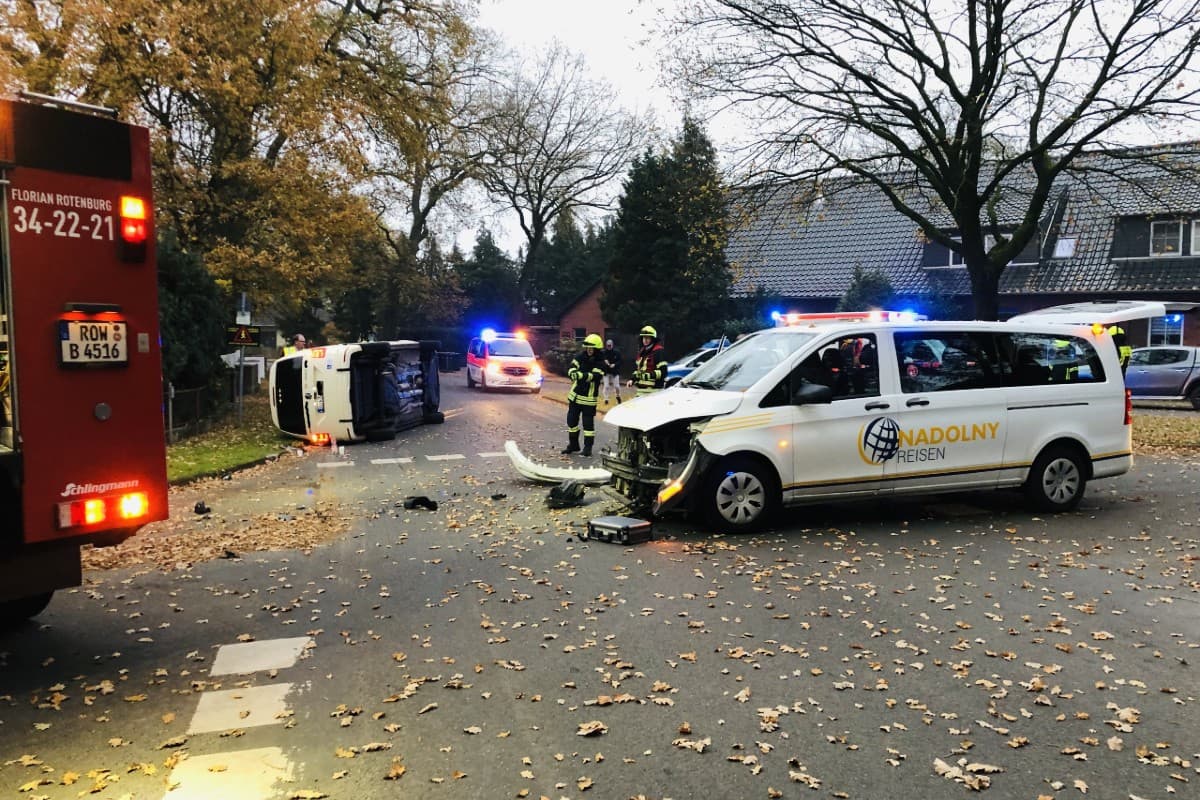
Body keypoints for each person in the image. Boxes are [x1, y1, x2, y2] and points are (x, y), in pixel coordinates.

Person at [563, 334, 606, 456]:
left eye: (592, 348)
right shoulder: (580, 356)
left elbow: (595, 376)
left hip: (588, 398)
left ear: (597, 349)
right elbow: (572, 367)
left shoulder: (601, 362)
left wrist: (581, 375)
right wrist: (572, 373)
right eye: (588, 347)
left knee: (588, 425)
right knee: (571, 421)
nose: (589, 350)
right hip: (575, 396)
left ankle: (588, 448)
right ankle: (573, 445)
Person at [632, 325, 667, 396]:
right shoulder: (642, 352)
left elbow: (663, 372)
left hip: (653, 392)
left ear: (653, 339)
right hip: (640, 391)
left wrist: (649, 375)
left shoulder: (659, 351)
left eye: (648, 338)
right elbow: (638, 370)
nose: (645, 340)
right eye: (644, 338)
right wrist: (632, 379)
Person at [600, 339, 622, 404]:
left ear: (612, 345)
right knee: (606, 386)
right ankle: (606, 399)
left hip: (615, 372)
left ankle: (618, 396)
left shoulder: (617, 352)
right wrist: (604, 361)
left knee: (617, 386)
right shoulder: (603, 353)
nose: (609, 347)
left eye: (610, 345)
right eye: (608, 345)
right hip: (606, 372)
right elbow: (600, 360)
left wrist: (614, 364)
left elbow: (620, 361)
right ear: (606, 345)